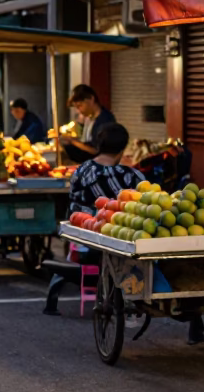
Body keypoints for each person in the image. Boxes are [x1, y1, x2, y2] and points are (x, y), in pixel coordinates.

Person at [46, 123, 143, 315]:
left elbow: (72, 206)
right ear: (123, 149)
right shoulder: (131, 176)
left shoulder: (81, 172)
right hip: (122, 246)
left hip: (84, 244)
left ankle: (52, 301)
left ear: (98, 145)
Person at [60, 84, 115, 164]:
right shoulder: (89, 118)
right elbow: (87, 142)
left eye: (80, 106)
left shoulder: (105, 120)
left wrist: (72, 141)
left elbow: (95, 150)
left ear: (91, 99)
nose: (79, 111)